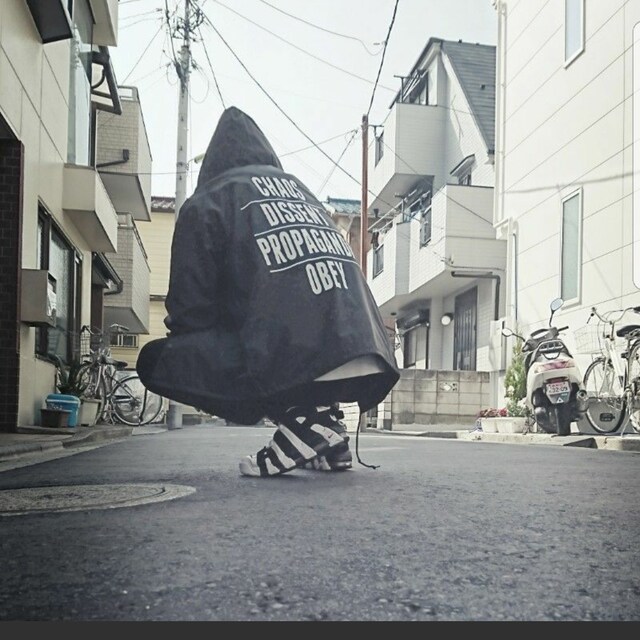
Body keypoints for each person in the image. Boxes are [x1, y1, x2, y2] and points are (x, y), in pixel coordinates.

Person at [137, 106, 400, 477]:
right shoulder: (303, 195)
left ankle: (304, 424)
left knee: (155, 360)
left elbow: (190, 314)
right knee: (276, 334)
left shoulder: (208, 201)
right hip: (369, 356)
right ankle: (327, 430)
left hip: (304, 358)